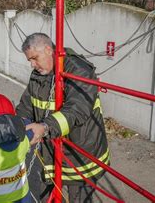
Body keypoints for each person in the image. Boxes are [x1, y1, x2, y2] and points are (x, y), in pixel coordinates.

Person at [16, 33, 110, 202]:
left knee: (78, 199)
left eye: (35, 58)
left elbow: (77, 110)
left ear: (48, 49)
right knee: (49, 197)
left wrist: (44, 128)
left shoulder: (79, 70)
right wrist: (19, 125)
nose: (32, 64)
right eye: (29, 60)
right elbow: (26, 105)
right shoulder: (38, 74)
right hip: (52, 152)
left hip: (80, 155)